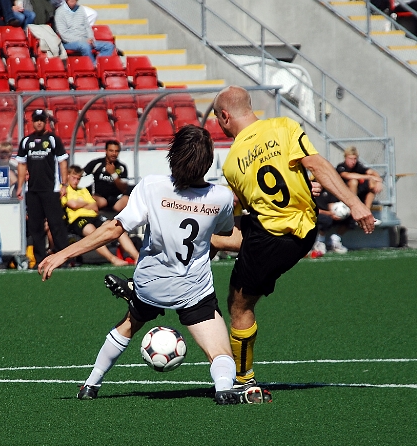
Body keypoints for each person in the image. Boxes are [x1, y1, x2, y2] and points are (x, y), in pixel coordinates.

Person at [39, 125, 272, 405]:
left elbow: (114, 229)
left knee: (128, 323)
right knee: (221, 352)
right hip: (192, 288)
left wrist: (62, 254)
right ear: (208, 162)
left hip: (151, 285)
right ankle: (223, 388)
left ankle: (91, 383)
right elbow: (223, 236)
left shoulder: (152, 186)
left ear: (173, 156)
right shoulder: (220, 197)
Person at [211, 85, 376, 388]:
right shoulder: (283, 126)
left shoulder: (232, 162)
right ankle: (203, 251)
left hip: (271, 236)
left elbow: (254, 205)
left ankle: (244, 381)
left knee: (239, 304)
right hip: (306, 227)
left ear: (224, 116)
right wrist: (352, 203)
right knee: (222, 235)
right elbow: (315, 165)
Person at [15, 109, 70, 265]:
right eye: (36, 120)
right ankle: (40, 260)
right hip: (32, 191)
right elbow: (21, 165)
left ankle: (63, 258)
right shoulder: (26, 141)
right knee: (35, 227)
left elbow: (62, 162)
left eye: (41, 120)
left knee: (56, 224)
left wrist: (64, 184)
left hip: (50, 189)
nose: (38, 122)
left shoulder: (53, 139)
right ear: (32, 122)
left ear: (46, 121)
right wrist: (20, 186)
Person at [63, 164, 139, 266]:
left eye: (78, 179)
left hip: (93, 216)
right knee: (93, 232)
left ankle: (137, 257)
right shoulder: (64, 189)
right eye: (74, 178)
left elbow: (94, 206)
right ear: (68, 176)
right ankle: (114, 259)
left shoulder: (83, 190)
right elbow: (72, 204)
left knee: (116, 226)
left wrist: (79, 204)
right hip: (77, 219)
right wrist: (85, 204)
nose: (76, 181)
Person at [54, 0, 114, 65]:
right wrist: (84, 40)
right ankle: (92, 67)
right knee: (84, 46)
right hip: (69, 42)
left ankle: (97, 65)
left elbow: (87, 27)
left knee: (109, 46)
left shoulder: (80, 9)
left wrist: (91, 38)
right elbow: (64, 35)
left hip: (85, 40)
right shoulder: (60, 12)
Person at [83, 140, 133, 213]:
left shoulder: (121, 167)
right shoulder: (97, 163)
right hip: (99, 198)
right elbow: (79, 174)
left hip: (116, 200)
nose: (114, 154)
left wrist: (113, 174)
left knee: (127, 199)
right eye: (111, 151)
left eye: (116, 151)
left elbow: (124, 189)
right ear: (106, 151)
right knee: (101, 201)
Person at [312, 188, 350, 256]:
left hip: (330, 214)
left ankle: (335, 240)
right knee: (325, 219)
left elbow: (331, 204)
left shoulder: (330, 189)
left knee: (351, 218)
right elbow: (313, 209)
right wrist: (330, 213)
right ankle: (319, 241)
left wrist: (336, 213)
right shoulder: (312, 190)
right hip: (315, 215)